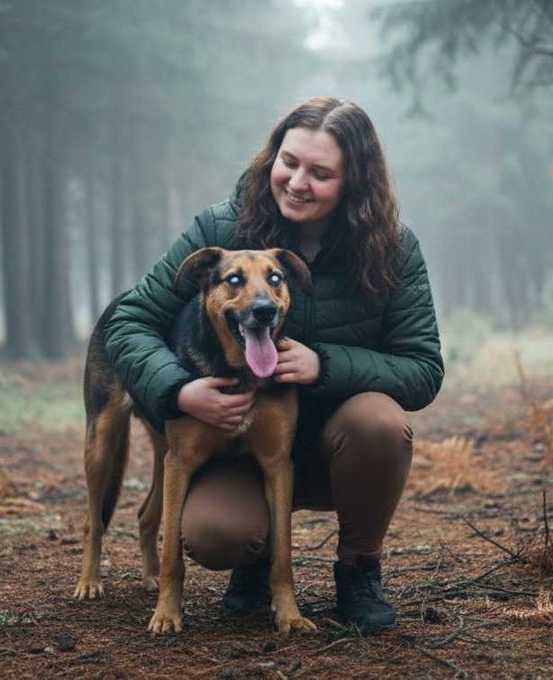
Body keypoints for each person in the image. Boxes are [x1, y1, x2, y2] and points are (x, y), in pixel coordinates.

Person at [102, 96, 443, 632]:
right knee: (215, 535)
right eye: (289, 161)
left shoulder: (392, 249)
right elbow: (129, 322)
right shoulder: (220, 226)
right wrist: (177, 391)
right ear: (272, 158)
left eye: (321, 172)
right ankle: (252, 562)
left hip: (337, 446)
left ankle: (358, 570)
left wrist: (323, 364)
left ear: (354, 181)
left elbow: (422, 368)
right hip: (237, 447)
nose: (298, 182)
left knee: (379, 423)